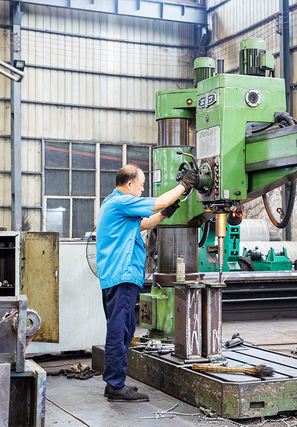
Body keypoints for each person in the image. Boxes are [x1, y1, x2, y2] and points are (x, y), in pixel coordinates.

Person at [96, 162, 198, 402]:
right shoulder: (122, 202)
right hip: (121, 275)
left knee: (124, 329)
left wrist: (162, 216)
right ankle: (115, 386)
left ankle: (115, 382)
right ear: (129, 184)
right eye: (141, 186)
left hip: (119, 276)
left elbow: (142, 224)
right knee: (119, 330)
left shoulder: (111, 205)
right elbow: (159, 200)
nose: (142, 190)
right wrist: (184, 185)